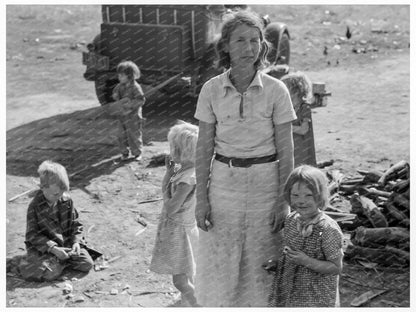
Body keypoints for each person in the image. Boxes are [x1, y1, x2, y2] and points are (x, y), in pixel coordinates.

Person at [193, 10, 297, 307]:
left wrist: (283, 200)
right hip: (224, 186)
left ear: (263, 46)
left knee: (262, 260)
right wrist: (202, 198)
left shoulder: (277, 91)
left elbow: (287, 150)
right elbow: (203, 149)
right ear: (225, 45)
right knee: (221, 259)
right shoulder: (211, 90)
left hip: (266, 186)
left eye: (255, 41)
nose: (249, 48)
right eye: (240, 40)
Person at [268, 165, 344, 307]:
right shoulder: (291, 220)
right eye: (295, 195)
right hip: (290, 291)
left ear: (320, 195)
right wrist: (279, 264)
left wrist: (306, 261)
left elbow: (336, 267)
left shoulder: (327, 229)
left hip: (316, 296)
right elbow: (291, 253)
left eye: (308, 195)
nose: (301, 201)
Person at [149, 121, 200, 307]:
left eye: (173, 147)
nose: (170, 150)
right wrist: (169, 173)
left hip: (179, 232)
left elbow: (170, 208)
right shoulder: (186, 173)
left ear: (181, 150)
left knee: (179, 281)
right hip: (180, 228)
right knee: (190, 273)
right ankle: (190, 302)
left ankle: (200, 305)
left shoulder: (187, 180)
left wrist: (166, 185)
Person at [18, 160, 94, 282]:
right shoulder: (35, 206)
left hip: (66, 244)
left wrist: (76, 242)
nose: (60, 196)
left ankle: (59, 262)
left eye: (63, 192)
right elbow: (32, 235)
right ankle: (27, 262)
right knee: (49, 274)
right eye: (56, 193)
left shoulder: (66, 200)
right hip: (44, 248)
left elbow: (76, 224)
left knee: (87, 264)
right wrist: (53, 249)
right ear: (42, 188)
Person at [111, 60, 146, 161]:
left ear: (129, 76)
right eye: (119, 75)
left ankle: (137, 153)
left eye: (121, 76)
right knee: (121, 134)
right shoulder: (119, 86)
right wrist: (116, 96)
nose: (119, 78)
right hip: (122, 115)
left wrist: (130, 105)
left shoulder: (135, 87)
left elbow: (141, 100)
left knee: (134, 134)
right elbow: (115, 94)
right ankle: (124, 152)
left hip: (133, 116)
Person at [281, 72, 316, 166]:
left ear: (296, 92)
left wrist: (285, 127)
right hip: (290, 147)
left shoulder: (304, 108)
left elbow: (303, 129)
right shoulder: (288, 108)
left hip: (301, 148)